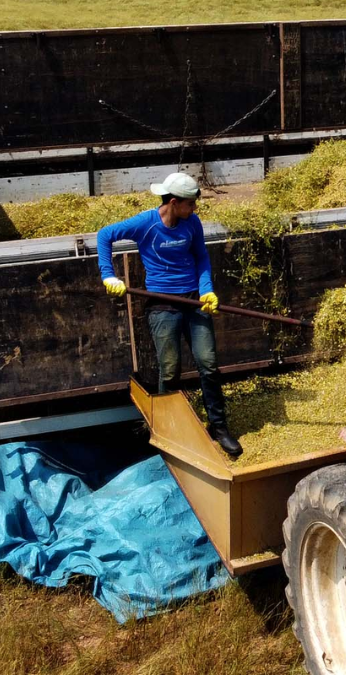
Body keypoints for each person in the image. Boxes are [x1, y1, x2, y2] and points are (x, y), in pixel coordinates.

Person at [97, 170, 242, 459]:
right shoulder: (146, 224)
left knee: (208, 363)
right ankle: (169, 429)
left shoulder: (193, 223)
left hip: (193, 301)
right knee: (170, 369)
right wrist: (108, 276)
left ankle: (218, 426)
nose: (195, 209)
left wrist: (206, 289)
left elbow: (201, 256)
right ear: (174, 202)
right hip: (162, 305)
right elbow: (105, 236)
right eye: (191, 204)